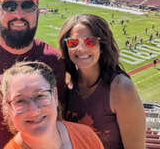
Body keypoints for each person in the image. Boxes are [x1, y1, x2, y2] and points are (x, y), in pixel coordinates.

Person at [0, 0, 66, 149]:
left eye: (27, 6)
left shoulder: (55, 60)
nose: (18, 14)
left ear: (37, 13)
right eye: (9, 6)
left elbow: (62, 116)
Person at [58, 14, 145, 149]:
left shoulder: (121, 88)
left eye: (90, 42)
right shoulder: (66, 82)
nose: (81, 49)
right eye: (73, 43)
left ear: (102, 45)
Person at [0, 61, 104, 149]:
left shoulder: (86, 136)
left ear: (55, 96)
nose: (33, 110)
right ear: (8, 108)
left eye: (40, 96)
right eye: (20, 101)